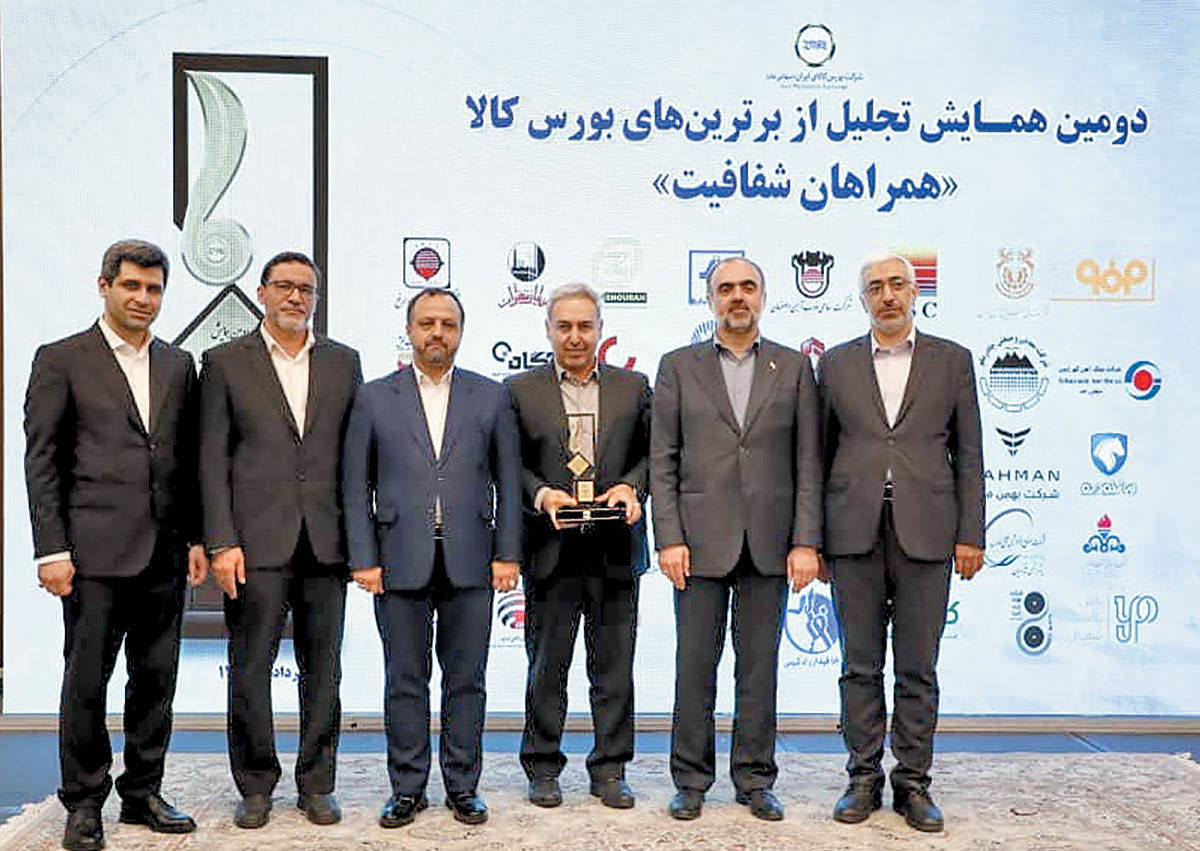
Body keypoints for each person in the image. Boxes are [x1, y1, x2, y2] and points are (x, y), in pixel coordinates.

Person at [24, 239, 205, 850]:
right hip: (91, 555)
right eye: (131, 285)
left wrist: (197, 537)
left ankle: (142, 792)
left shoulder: (179, 364)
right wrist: (51, 549)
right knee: (86, 682)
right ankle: (83, 802)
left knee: (155, 680)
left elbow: (187, 461)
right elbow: (42, 461)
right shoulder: (61, 359)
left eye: (154, 289)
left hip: (165, 552)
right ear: (104, 286)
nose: (143, 298)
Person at [341, 287, 521, 828]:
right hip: (397, 560)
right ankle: (407, 788)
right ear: (409, 330)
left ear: (461, 332)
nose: (437, 332)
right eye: (427, 323)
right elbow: (355, 486)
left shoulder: (492, 396)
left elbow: (510, 483)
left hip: (473, 560)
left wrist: (508, 553)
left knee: (467, 680)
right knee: (405, 680)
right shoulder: (374, 397)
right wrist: (363, 558)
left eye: (448, 323)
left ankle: (463, 787)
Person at [650, 256, 821, 821]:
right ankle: (690, 780)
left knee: (759, 669)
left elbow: (808, 462)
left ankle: (755, 779)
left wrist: (805, 541)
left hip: (771, 543)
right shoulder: (678, 366)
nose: (737, 297)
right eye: (726, 288)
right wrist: (668, 538)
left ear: (763, 297)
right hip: (697, 545)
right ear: (710, 300)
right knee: (694, 668)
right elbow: (663, 461)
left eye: (748, 287)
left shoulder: (794, 367)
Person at [819, 253, 984, 833]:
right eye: (875, 288)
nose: (887, 295)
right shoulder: (834, 364)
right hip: (852, 532)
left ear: (915, 292)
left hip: (929, 532)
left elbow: (970, 454)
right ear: (862, 299)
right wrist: (812, 540)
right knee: (858, 664)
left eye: (897, 285)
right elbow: (816, 456)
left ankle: (912, 783)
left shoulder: (953, 360)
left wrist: (971, 534)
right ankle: (862, 778)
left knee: (918, 667)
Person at [198, 250, 362, 829]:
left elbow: (354, 458)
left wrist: (360, 543)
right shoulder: (223, 362)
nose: (296, 297)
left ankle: (317, 784)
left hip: (326, 542)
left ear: (316, 298)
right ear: (262, 292)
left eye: (306, 289)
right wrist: (221, 541)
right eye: (284, 286)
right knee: (249, 669)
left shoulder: (344, 362)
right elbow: (211, 459)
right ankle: (255, 786)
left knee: (325, 671)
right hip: (253, 544)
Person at [505, 283, 652, 810]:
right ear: (548, 330)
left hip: (615, 548)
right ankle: (543, 767)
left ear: (600, 330)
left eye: (584, 326)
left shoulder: (634, 387)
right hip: (550, 550)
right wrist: (541, 494)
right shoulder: (519, 390)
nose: (574, 336)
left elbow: (655, 454)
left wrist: (632, 487)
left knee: (614, 669)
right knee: (547, 668)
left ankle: (610, 769)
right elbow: (509, 464)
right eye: (564, 326)